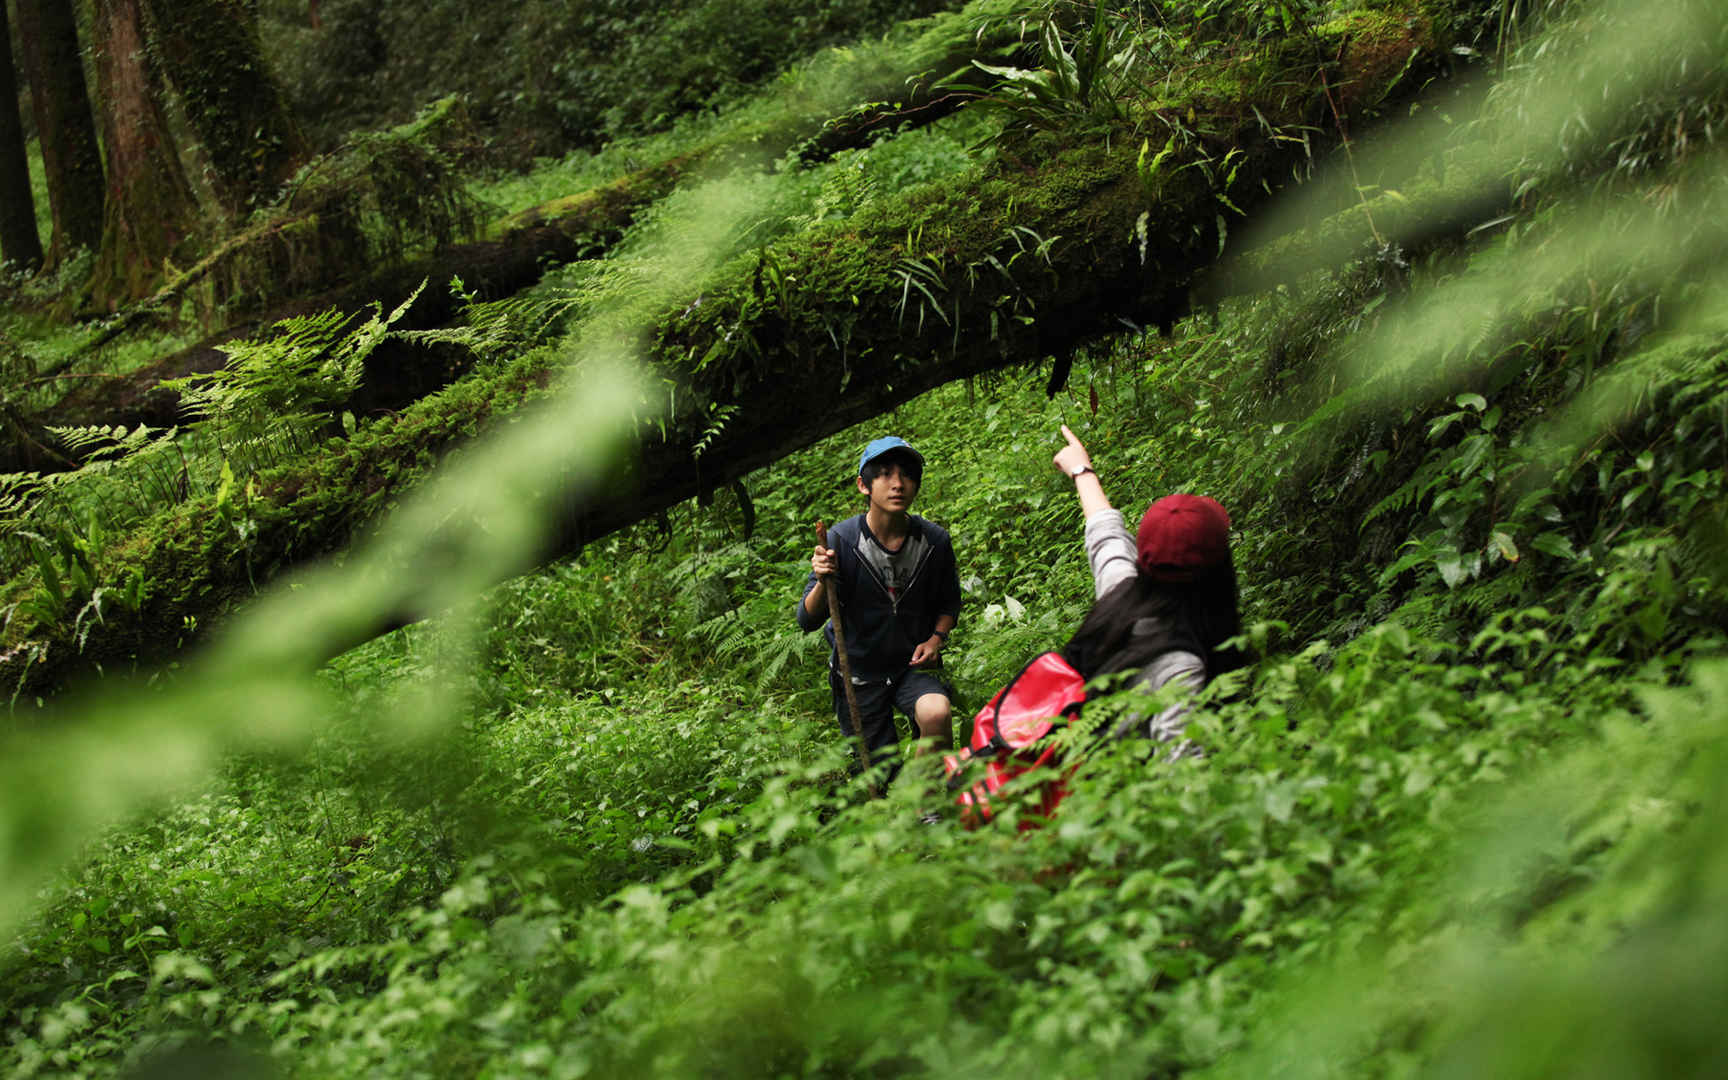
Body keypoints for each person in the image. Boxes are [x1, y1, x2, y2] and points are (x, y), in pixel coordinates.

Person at [1051, 424, 1243, 753]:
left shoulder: (1120, 595)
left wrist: (1081, 470)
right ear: (1216, 569)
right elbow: (1184, 776)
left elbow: (1105, 533)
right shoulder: (1181, 667)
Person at [797, 436, 962, 769]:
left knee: (937, 712)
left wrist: (935, 640)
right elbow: (808, 619)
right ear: (864, 485)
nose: (898, 484)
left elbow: (949, 603)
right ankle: (891, 810)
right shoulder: (842, 541)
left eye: (907, 475)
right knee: (876, 773)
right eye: (885, 474)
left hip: (911, 666)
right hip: (859, 673)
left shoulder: (933, 541)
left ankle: (926, 805)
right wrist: (823, 579)